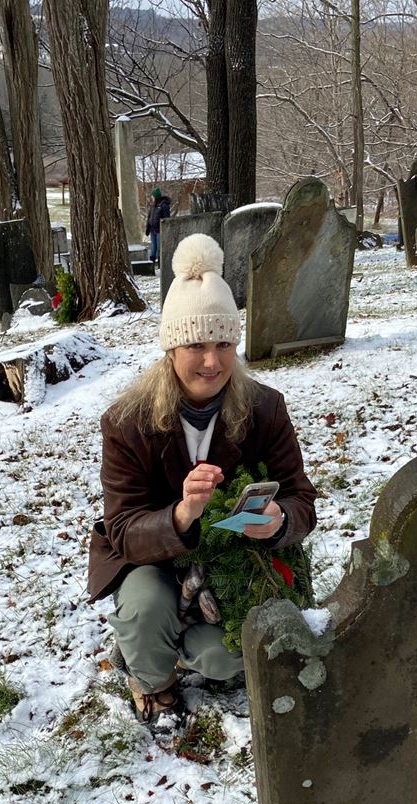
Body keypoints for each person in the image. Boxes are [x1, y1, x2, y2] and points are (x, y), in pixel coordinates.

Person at [88, 233, 317, 723]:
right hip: (149, 561)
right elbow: (124, 528)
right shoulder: (127, 422)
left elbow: (302, 499)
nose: (211, 362)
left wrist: (278, 523)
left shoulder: (264, 408)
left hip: (228, 565)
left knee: (224, 659)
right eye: (195, 344)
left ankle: (184, 643)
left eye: (224, 343)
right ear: (171, 348)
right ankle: (152, 677)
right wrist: (181, 514)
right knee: (147, 606)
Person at [145, 188, 172, 265]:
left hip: (160, 230)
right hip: (152, 230)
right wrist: (147, 228)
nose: (151, 198)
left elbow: (167, 219)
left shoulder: (164, 205)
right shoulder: (153, 205)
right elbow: (149, 217)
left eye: (153, 196)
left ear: (156, 197)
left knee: (159, 247)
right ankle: (151, 263)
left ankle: (161, 263)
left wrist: (165, 229)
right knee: (153, 246)